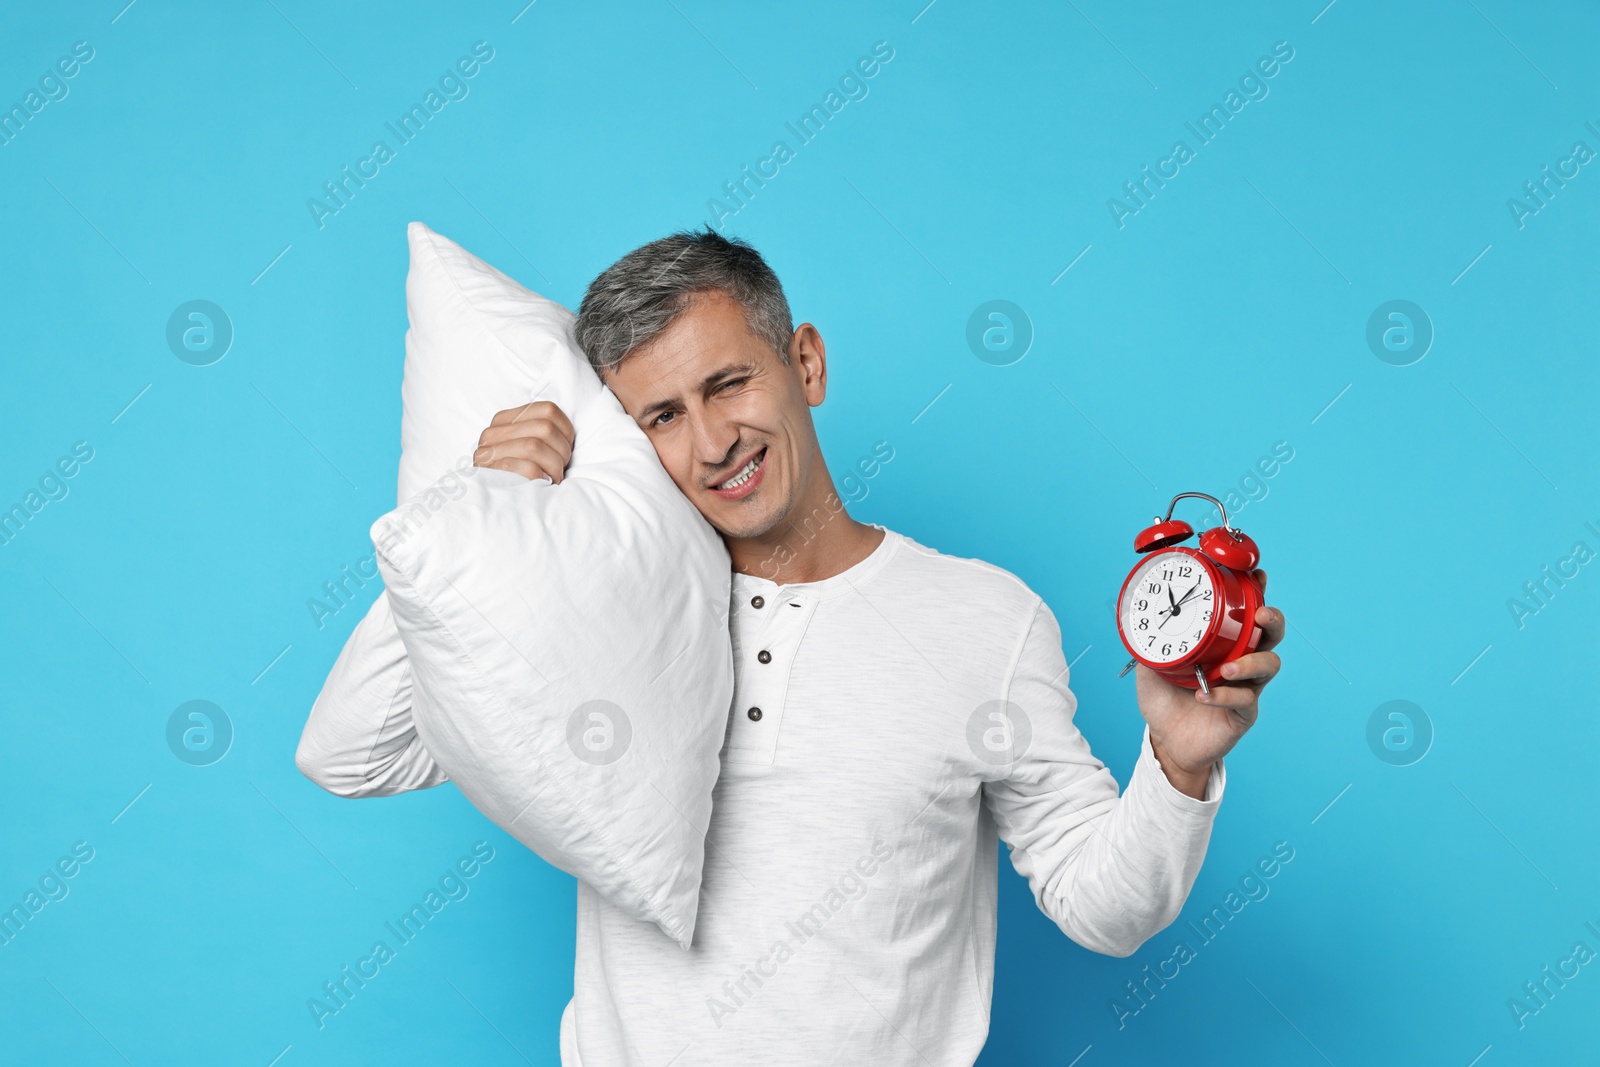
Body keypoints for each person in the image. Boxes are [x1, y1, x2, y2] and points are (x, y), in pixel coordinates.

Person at [303, 229, 1284, 1065]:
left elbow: (1102, 908)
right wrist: (473, 515)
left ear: (803, 362)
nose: (712, 440)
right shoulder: (600, 609)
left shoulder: (986, 616)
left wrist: (1177, 765)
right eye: (662, 416)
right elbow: (355, 752)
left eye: (728, 382)